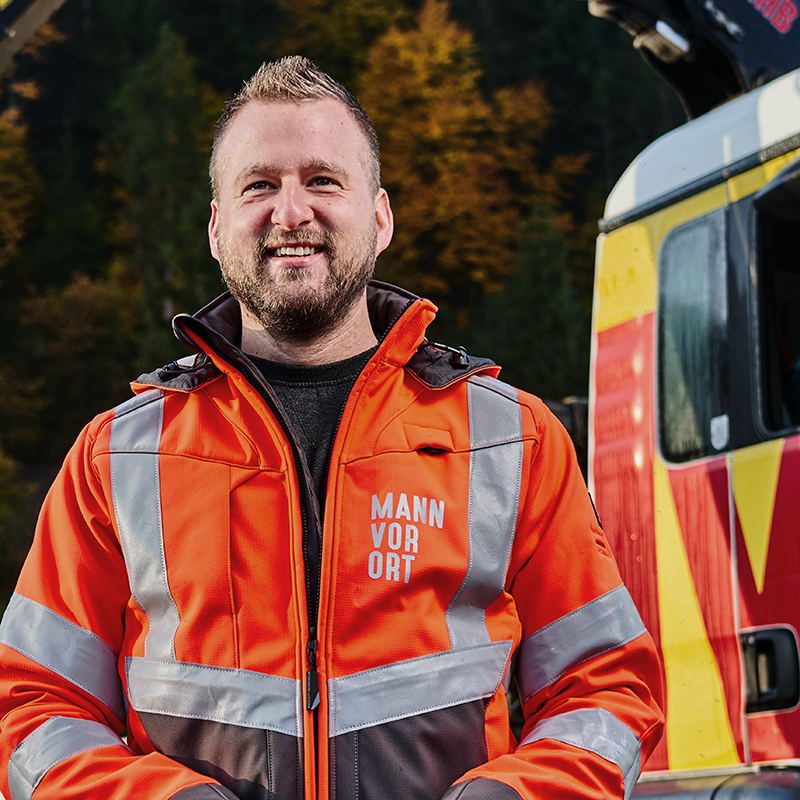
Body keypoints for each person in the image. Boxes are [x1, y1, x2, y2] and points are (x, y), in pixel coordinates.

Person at [0, 56, 663, 800]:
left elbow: (607, 689)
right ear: (217, 228)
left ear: (379, 218)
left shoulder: (512, 441)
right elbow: (31, 707)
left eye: (322, 179)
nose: (291, 211)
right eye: (259, 185)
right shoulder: (115, 457)